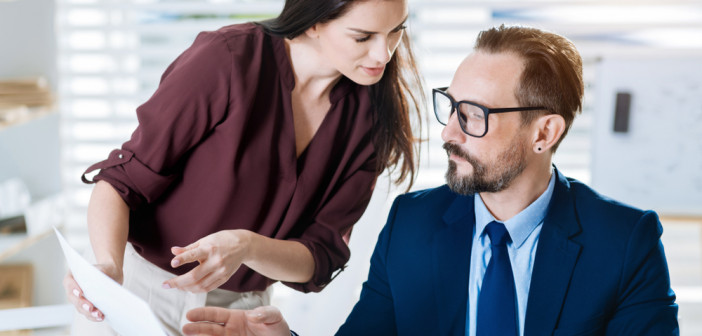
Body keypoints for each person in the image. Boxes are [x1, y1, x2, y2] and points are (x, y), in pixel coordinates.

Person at [180, 25, 680, 336]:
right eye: (452, 107)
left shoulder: (623, 241)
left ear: (544, 132)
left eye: (475, 115)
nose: (448, 133)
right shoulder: (412, 224)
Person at [62, 0, 424, 334]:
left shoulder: (371, 118)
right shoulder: (227, 59)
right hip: (140, 292)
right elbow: (121, 183)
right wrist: (108, 267)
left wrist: (247, 246)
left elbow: (319, 257)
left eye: (396, 32)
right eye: (363, 37)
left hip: (238, 316)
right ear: (315, 22)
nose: (384, 53)